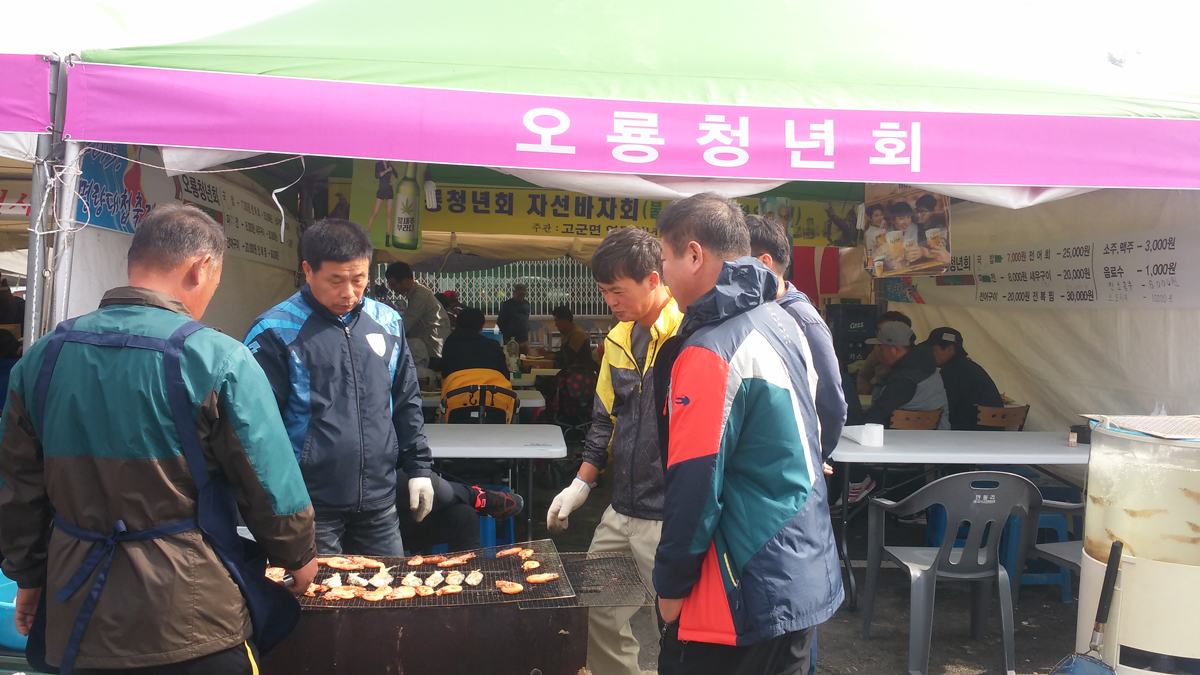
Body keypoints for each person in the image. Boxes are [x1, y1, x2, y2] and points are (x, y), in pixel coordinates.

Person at [0, 204, 317, 674]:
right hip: (193, 621)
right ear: (202, 267)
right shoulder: (218, 359)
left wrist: (28, 578)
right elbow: (269, 482)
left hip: (77, 613)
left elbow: (19, 491)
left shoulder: (42, 358)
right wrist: (299, 557)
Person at [247, 219, 520, 557]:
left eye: (358, 279)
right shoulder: (275, 330)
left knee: (387, 599)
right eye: (336, 280)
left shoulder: (388, 322)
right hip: (311, 505)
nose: (348, 292)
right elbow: (258, 428)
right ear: (308, 270)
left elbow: (406, 400)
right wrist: (281, 502)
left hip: (380, 501)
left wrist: (419, 469)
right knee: (324, 604)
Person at [652, 194, 842, 675]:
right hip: (801, 567)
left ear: (694, 255)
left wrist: (670, 587)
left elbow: (694, 486)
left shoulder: (709, 351)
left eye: (665, 259)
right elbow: (823, 419)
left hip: (741, 589)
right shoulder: (782, 321)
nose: (664, 274)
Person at [545, 226, 683, 675]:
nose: (611, 302)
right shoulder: (618, 340)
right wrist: (581, 484)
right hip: (621, 510)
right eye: (604, 292)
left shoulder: (689, 335)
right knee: (597, 613)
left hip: (669, 514)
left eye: (618, 291)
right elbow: (605, 418)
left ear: (653, 280)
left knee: (679, 629)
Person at [746, 215, 846, 461]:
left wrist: (813, 455)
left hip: (792, 467)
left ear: (764, 263)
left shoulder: (802, 319)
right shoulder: (755, 311)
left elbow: (831, 401)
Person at [859, 322, 950, 430]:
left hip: (907, 441)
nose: (878, 352)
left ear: (895, 349)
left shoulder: (904, 380)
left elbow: (874, 416)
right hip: (935, 438)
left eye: (881, 348)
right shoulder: (928, 366)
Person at [923, 327, 1003, 430]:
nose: (930, 354)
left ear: (949, 349)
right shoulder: (972, 367)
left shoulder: (951, 371)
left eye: (933, 350)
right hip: (995, 434)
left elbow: (942, 407)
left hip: (970, 436)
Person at [385, 262, 450, 363]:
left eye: (393, 285)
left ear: (405, 281)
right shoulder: (417, 293)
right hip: (432, 348)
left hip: (435, 351)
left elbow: (406, 323)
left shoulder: (420, 295)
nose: (393, 289)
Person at [440, 307, 508, 379]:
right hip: (489, 389)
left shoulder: (450, 346)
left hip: (457, 389)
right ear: (481, 327)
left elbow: (445, 374)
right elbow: (505, 375)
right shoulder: (493, 347)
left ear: (458, 326)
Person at [856, 310, 912, 396]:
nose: (880, 334)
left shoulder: (913, 358)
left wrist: (884, 361)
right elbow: (863, 375)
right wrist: (863, 393)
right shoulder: (876, 351)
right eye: (879, 330)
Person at [548, 305, 596, 371]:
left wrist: (554, 357)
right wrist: (548, 353)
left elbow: (568, 357)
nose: (555, 325)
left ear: (564, 321)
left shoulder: (577, 334)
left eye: (556, 321)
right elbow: (563, 353)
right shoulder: (567, 333)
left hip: (581, 373)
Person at [497, 283, 531, 355]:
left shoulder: (526, 304)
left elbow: (526, 319)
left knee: (526, 362)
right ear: (514, 292)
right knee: (511, 361)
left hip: (524, 339)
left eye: (523, 294)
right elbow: (500, 322)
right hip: (510, 340)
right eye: (520, 294)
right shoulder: (507, 305)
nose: (522, 296)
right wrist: (507, 336)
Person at [367, 160, 396, 239]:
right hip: (382, 189)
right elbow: (377, 175)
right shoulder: (378, 164)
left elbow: (396, 175)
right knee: (375, 212)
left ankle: (387, 234)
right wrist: (387, 170)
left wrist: (393, 183)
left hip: (389, 190)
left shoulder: (390, 165)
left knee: (389, 213)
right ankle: (367, 232)